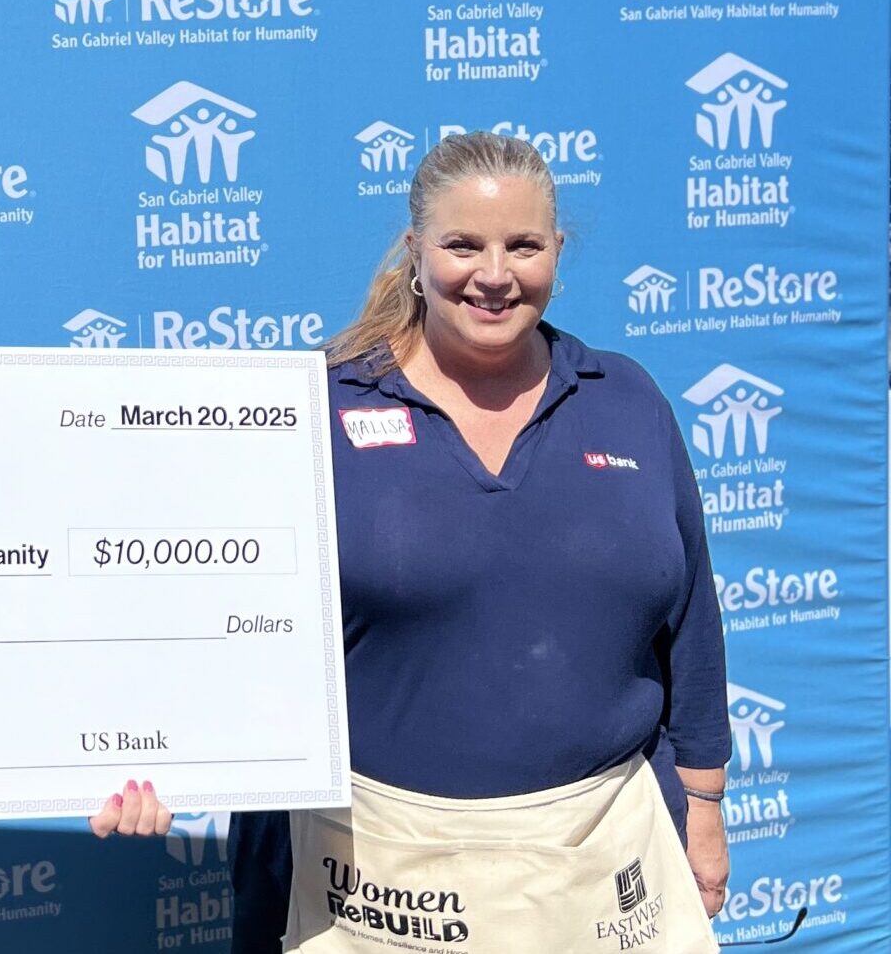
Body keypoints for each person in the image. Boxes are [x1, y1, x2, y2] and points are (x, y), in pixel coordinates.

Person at [97, 132, 732, 952]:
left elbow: (692, 623)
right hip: (371, 876)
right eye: (463, 244)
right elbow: (206, 608)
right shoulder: (310, 409)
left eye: (523, 245)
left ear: (557, 252)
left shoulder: (627, 399)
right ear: (415, 250)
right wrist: (147, 755)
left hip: (603, 864)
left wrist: (706, 805)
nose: (494, 274)